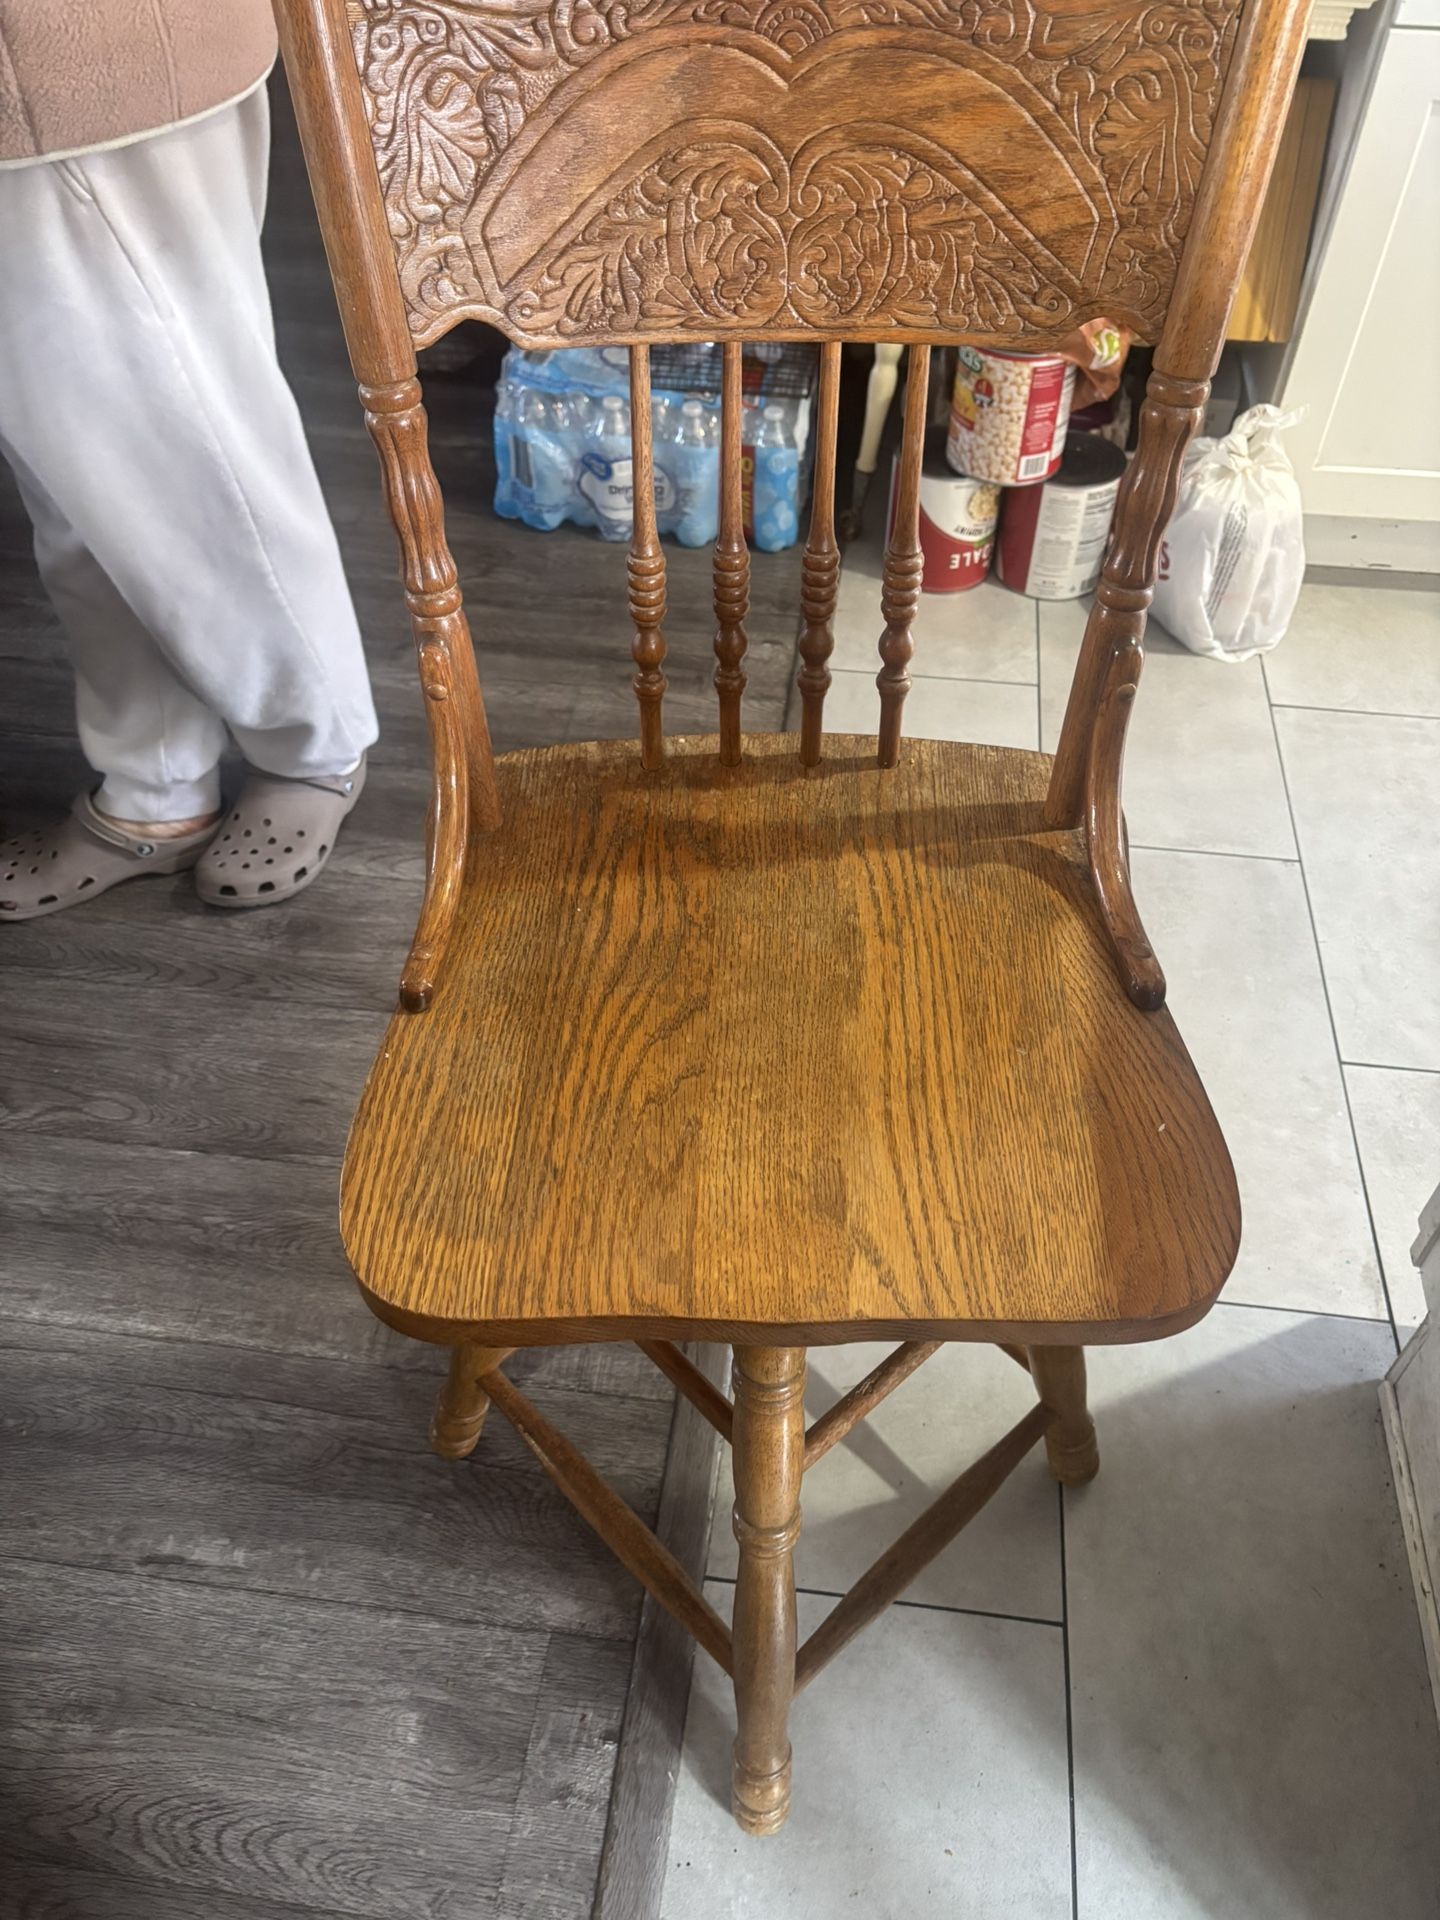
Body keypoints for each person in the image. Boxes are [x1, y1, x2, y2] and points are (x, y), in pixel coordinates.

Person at [0, 1, 378, 919]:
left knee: (189, 445)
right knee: (79, 483)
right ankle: (156, 786)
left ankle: (312, 742)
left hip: (77, 69)